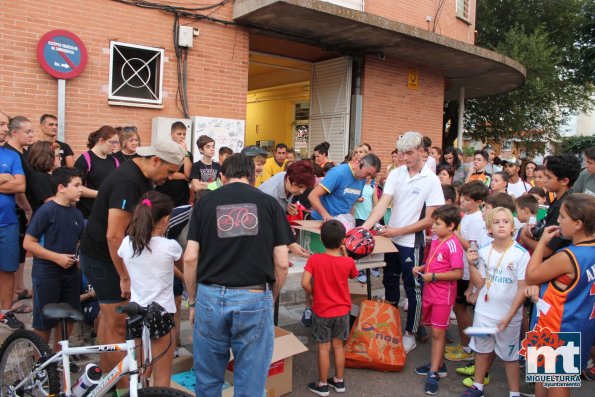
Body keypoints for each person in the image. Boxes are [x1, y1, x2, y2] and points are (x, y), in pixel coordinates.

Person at [183, 154, 294, 397]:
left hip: (210, 296)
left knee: (208, 379)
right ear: (253, 177)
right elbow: (282, 264)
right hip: (254, 294)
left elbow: (190, 257)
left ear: (222, 176)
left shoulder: (204, 202)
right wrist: (270, 297)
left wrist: (193, 300)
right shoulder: (270, 204)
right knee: (250, 383)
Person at [79, 139, 183, 382]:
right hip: (103, 258)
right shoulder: (128, 181)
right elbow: (114, 234)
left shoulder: (140, 175)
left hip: (103, 254)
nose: (168, 178)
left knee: (108, 320)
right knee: (117, 323)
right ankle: (127, 386)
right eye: (168, 172)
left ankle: (107, 380)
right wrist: (125, 276)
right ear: (155, 160)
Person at [362, 131, 445, 352]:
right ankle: (389, 325)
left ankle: (411, 332)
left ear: (421, 151)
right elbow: (382, 204)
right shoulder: (397, 174)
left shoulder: (432, 180)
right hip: (391, 239)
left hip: (411, 241)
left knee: (413, 288)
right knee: (390, 282)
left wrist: (398, 230)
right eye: (401, 153)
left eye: (409, 153)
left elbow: (430, 219)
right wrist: (365, 227)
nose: (404, 158)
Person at [524, 194, 595, 397]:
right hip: (578, 322)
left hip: (556, 325)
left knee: (556, 383)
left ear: (579, 223)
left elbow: (531, 276)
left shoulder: (569, 256)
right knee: (547, 378)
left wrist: (542, 242)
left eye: (563, 217)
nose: (559, 221)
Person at [461, 207, 529, 397]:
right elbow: (481, 283)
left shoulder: (520, 254)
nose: (501, 225)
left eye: (505, 221)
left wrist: (509, 316)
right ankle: (478, 386)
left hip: (509, 315)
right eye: (496, 222)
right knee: (482, 351)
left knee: (510, 356)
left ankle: (514, 392)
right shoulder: (483, 251)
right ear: (489, 228)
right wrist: (471, 264)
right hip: (484, 311)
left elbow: (523, 288)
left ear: (512, 227)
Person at [117, 191, 180, 387]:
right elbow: (180, 267)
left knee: (139, 373)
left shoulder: (127, 243)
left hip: (136, 313)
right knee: (161, 378)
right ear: (165, 219)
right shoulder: (170, 246)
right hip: (161, 315)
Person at [23, 167, 84, 351]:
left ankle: (59, 359)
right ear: (61, 188)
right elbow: (28, 243)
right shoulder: (46, 211)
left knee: (70, 317)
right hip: (47, 273)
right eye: (77, 185)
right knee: (44, 321)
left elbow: (79, 242)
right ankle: (40, 365)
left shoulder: (77, 214)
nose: (81, 189)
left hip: (71, 273)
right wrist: (56, 258)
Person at [301, 220, 358, 396]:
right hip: (342, 311)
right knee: (339, 347)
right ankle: (339, 382)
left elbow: (304, 282)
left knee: (324, 348)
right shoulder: (347, 262)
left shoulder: (315, 259)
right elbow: (354, 275)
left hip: (322, 310)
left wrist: (313, 293)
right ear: (343, 240)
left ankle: (323, 384)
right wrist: (345, 253)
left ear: (322, 238)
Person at [413, 205, 464, 394]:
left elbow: (458, 272)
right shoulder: (437, 239)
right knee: (435, 331)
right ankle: (439, 365)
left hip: (443, 294)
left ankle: (434, 372)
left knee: (437, 333)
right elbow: (435, 261)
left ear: (451, 226)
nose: (432, 227)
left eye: (437, 224)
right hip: (430, 291)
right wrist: (422, 267)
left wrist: (433, 276)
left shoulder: (453, 244)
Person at [448, 181, 489, 363]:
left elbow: (472, 248)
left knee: (462, 308)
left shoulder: (477, 220)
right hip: (462, 268)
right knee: (458, 308)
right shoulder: (467, 216)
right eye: (461, 198)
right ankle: (466, 344)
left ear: (478, 201)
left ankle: (467, 347)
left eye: (466, 199)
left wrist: (454, 234)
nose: (462, 202)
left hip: (467, 272)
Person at [519, 154, 581, 256]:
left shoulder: (564, 207)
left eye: (548, 177)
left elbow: (546, 251)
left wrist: (524, 237)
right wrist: (536, 228)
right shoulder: (559, 198)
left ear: (564, 181)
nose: (543, 180)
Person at [4, 116, 35, 309]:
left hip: (13, 216)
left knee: (14, 260)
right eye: (27, 132)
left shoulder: (16, 154)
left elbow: (20, 184)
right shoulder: (10, 153)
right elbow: (15, 186)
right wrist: (5, 177)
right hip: (12, 213)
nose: (31, 135)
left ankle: (12, 300)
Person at [0, 110, 26, 331]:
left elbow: (20, 186)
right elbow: (12, 182)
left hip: (7, 221)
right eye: (0, 124)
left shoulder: (12, 156)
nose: (4, 129)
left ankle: (5, 312)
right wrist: (3, 177)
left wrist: (11, 180)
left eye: (6, 125)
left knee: (7, 268)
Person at [258, 160, 315, 257]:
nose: (301, 191)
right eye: (300, 187)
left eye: (304, 188)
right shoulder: (269, 195)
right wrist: (290, 244)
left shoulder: (288, 177)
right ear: (288, 180)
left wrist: (286, 210)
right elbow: (268, 227)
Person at [308, 153, 381, 221]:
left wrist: (350, 220)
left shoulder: (362, 180)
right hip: (320, 221)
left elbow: (351, 202)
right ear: (360, 164)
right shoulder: (339, 173)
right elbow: (312, 196)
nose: (368, 177)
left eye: (371, 176)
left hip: (341, 224)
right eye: (368, 173)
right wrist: (326, 215)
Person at [74, 126, 120, 218]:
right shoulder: (85, 160)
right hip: (88, 214)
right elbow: (76, 187)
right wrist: (102, 194)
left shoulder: (114, 161)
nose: (115, 146)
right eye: (113, 142)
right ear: (101, 141)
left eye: (117, 143)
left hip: (108, 213)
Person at [157, 122, 193, 206]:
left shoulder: (188, 154)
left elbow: (189, 174)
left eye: (184, 134)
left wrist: (185, 153)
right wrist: (183, 176)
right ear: (172, 135)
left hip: (182, 195)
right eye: (179, 134)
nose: (182, 136)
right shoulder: (165, 150)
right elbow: (167, 173)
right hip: (165, 192)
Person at [26, 141, 61, 213]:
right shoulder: (39, 177)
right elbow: (50, 202)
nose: (61, 158)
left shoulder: (52, 175)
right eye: (57, 156)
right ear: (47, 157)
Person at [190, 134, 220, 199]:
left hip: (214, 198)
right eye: (208, 147)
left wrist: (202, 183)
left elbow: (219, 185)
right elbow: (196, 187)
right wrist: (212, 185)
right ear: (201, 150)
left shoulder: (217, 166)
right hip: (200, 199)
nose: (212, 149)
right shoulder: (196, 165)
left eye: (213, 146)